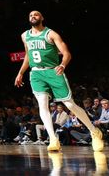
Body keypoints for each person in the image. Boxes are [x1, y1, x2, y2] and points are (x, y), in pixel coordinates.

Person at [14, 10, 104, 152]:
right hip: (36, 73)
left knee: (70, 105)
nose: (33, 17)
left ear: (42, 17)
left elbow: (67, 53)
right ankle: (53, 139)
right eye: (30, 15)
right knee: (42, 105)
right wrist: (20, 73)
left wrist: (62, 65)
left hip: (53, 70)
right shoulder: (25, 36)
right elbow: (28, 55)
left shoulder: (51, 34)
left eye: (36, 14)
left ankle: (94, 131)